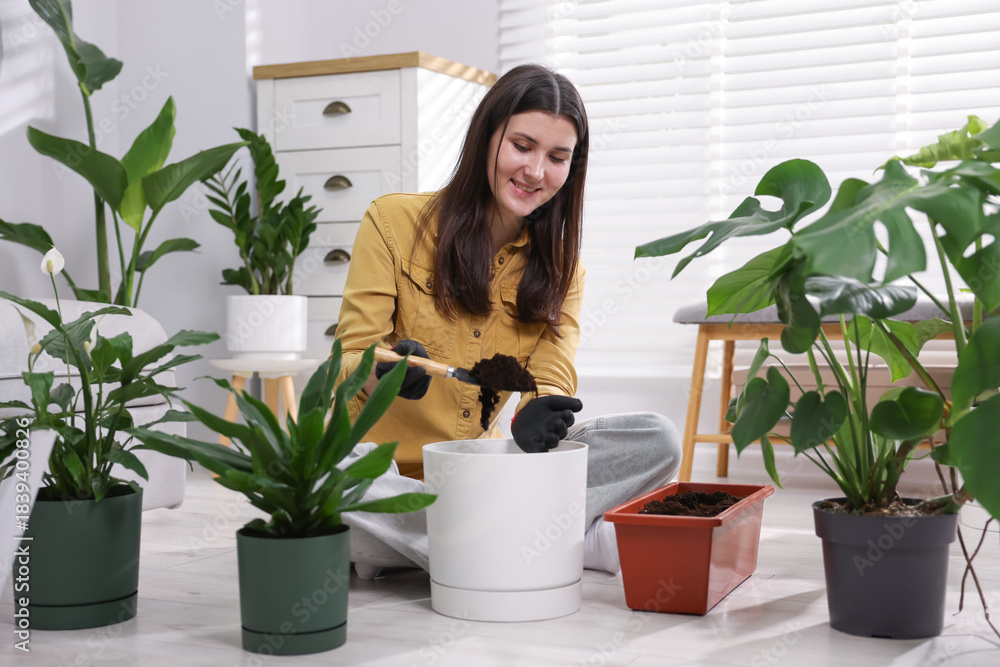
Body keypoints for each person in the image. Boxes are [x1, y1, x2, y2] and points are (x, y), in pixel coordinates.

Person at [335, 63, 681, 578]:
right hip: (383, 471)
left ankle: (436, 546)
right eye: (522, 146)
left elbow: (552, 371)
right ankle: (545, 539)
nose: (536, 171)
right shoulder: (391, 222)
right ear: (486, 137)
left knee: (657, 438)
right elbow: (350, 355)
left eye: (557, 157)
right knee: (332, 481)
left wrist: (539, 411)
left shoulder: (565, 271)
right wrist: (380, 372)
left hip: (484, 472)